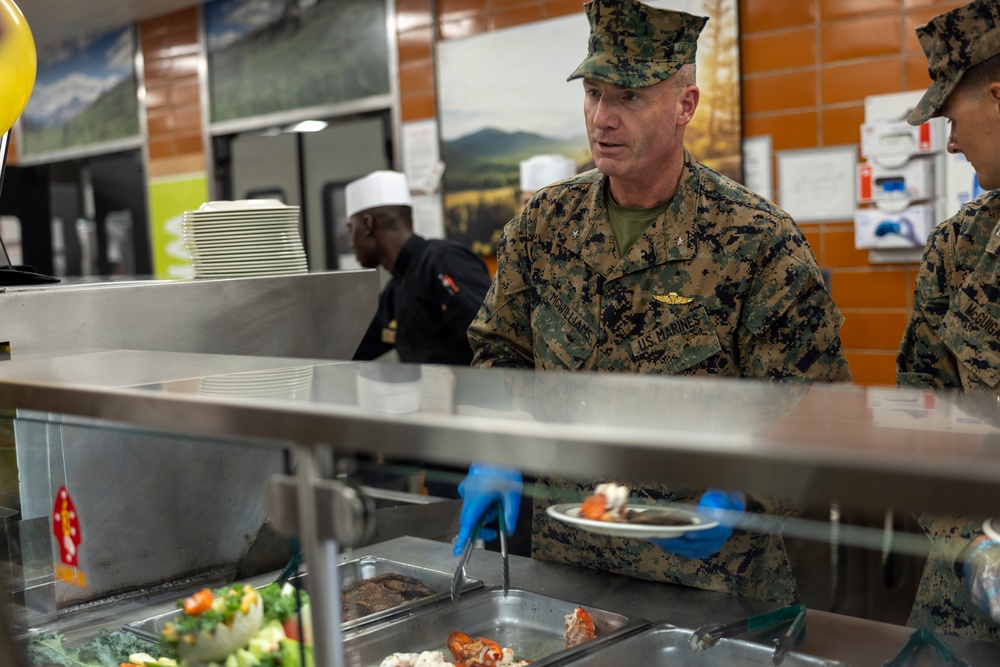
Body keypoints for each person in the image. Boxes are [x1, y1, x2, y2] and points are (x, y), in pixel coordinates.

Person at [455, 0, 851, 604]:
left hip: (713, 584)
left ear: (685, 106)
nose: (602, 119)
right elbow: (498, 354)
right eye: (592, 93)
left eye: (629, 98)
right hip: (572, 571)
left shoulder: (755, 239)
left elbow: (815, 407)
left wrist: (746, 498)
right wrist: (496, 448)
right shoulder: (544, 224)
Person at [896, 0, 1000, 644]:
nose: (952, 140)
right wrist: (975, 553)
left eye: (953, 118)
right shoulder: (960, 247)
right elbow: (920, 412)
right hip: (965, 611)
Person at [347, 170, 492, 365]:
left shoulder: (442, 261)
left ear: (367, 225)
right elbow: (356, 347)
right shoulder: (395, 289)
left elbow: (492, 338)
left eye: (350, 229)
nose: (350, 242)